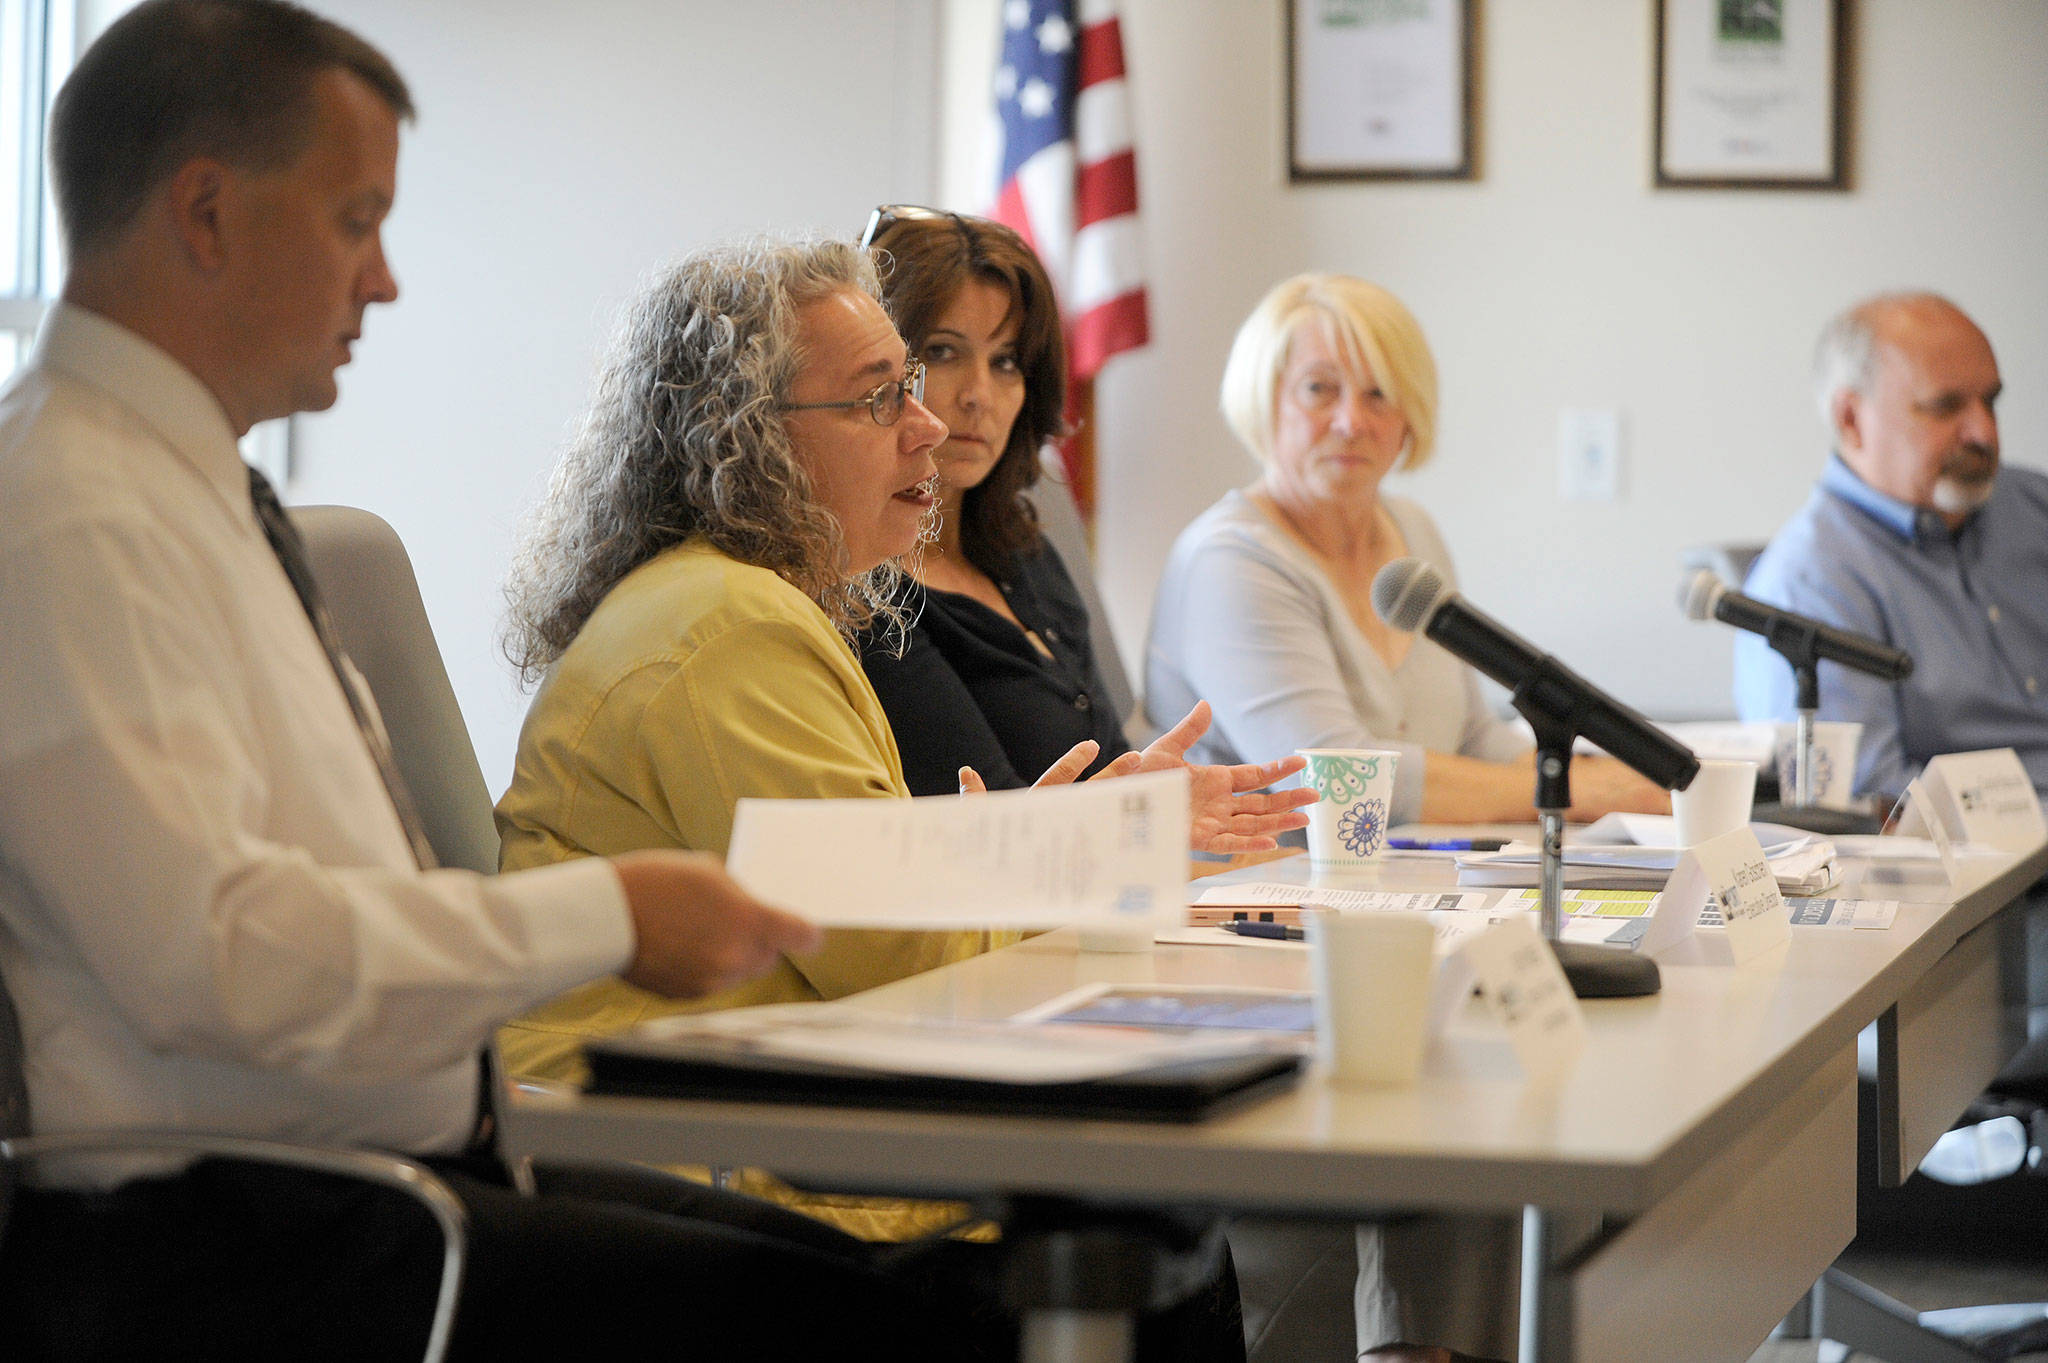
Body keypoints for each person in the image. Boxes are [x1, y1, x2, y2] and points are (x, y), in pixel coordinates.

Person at [0, 4, 1071, 1359]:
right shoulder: (71, 515)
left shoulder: (182, 489)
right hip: (243, 1233)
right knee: (935, 1315)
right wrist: (605, 912)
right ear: (205, 212)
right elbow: (219, 959)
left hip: (395, 1169)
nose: (383, 279)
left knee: (945, 1280)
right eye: (354, 219)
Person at [494, 237, 1314, 1089]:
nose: (928, 427)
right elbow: (905, 955)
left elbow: (888, 919)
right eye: (880, 399)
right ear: (748, 438)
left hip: (751, 1105)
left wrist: (1078, 838)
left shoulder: (742, 599)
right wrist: (1092, 856)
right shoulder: (732, 625)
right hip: (691, 1143)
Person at [1145, 272, 1667, 827]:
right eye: (1319, 389)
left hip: (1412, 883)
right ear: (1264, 399)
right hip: (1250, 896)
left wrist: (1601, 776)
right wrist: (1578, 793)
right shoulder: (1229, 560)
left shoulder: (1411, 530)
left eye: (1379, 394)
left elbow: (1473, 735)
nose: (1352, 422)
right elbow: (1331, 782)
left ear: (1408, 416)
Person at [853, 207, 1142, 791]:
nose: (979, 396)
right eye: (941, 351)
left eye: (1006, 362)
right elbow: (993, 819)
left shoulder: (1027, 553)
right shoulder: (864, 591)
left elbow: (1122, 775)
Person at [1733, 291, 2043, 803]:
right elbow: (1868, 802)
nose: (1985, 433)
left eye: (1991, 401)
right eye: (1945, 407)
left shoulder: (2032, 506)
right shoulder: (1810, 579)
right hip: (1997, 872)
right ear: (1852, 419)